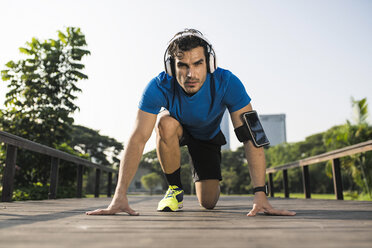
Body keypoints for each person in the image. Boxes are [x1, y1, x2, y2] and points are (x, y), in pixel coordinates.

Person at [86, 29, 296, 217]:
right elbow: (138, 139)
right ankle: (175, 190)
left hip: (208, 137)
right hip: (177, 128)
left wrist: (260, 194)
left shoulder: (228, 82)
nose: (190, 74)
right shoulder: (158, 86)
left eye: (198, 64)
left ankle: (209, 181)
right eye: (182, 65)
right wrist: (119, 195)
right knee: (165, 123)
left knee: (208, 202)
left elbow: (251, 138)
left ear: (210, 63)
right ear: (170, 66)